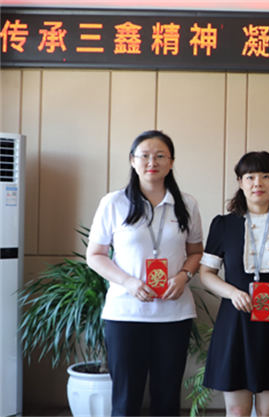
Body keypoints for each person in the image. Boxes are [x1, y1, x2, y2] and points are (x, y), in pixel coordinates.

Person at [87, 130, 203, 416]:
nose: (152, 162)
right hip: (126, 313)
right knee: (126, 399)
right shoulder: (114, 203)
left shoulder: (187, 204)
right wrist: (128, 282)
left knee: (167, 398)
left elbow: (196, 252)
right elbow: (95, 255)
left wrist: (184, 276)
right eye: (145, 156)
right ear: (132, 160)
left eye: (160, 156)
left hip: (174, 314)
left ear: (171, 162)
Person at [197, 151, 269, 416]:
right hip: (234, 322)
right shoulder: (223, 225)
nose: (257, 183)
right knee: (237, 410)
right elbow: (206, 273)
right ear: (240, 182)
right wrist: (232, 293)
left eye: (265, 176)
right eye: (250, 177)